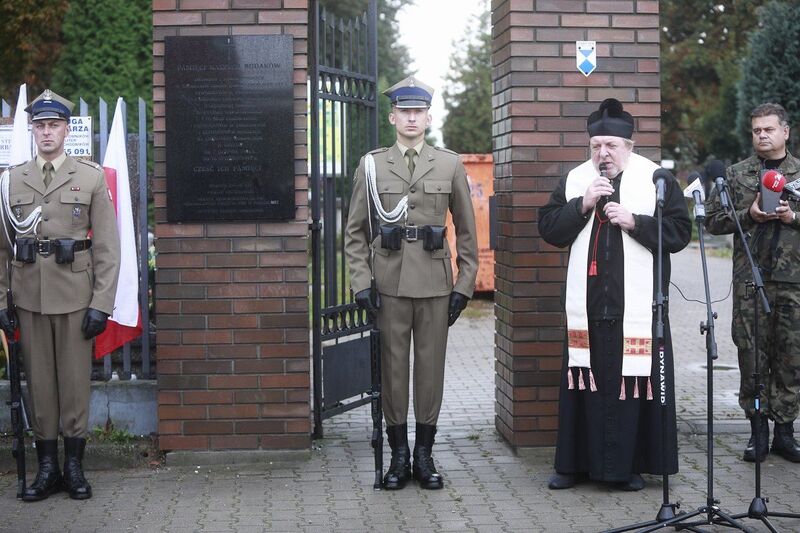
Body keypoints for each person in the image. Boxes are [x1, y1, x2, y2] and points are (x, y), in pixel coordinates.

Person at [538, 98, 691, 491]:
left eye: (611, 146)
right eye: (596, 146)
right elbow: (551, 229)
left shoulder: (656, 179)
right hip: (587, 305)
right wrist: (583, 204)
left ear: (630, 146)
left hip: (636, 307)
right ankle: (573, 466)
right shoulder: (576, 180)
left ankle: (628, 468)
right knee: (581, 384)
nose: (602, 154)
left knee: (632, 387)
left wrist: (636, 222)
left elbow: (679, 233)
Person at [344, 76, 478, 490]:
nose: (412, 118)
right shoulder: (371, 165)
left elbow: (469, 232)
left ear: (428, 117)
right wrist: (361, 282)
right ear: (393, 117)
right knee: (394, 370)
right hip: (390, 283)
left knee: (430, 371)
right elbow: (354, 233)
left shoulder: (449, 163)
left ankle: (425, 455)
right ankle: (398, 456)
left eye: (418, 112)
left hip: (436, 285)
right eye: (405, 112)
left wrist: (465, 285)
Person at [0, 89, 120, 501]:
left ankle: (73, 466)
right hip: (30, 295)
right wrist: (2, 302)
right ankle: (47, 467)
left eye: (54, 125)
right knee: (40, 383)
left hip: (75, 295)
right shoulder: (12, 179)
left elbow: (107, 246)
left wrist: (102, 304)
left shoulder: (89, 177)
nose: (46, 132)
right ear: (33, 130)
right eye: (40, 126)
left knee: (73, 383)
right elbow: (2, 248)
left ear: (66, 130)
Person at [704, 102, 800, 463]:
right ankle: (757, 431)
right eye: (757, 130)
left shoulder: (799, 172)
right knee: (752, 357)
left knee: (791, 359)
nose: (762, 135)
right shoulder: (736, 174)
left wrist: (793, 217)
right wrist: (750, 214)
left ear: (785, 132)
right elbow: (712, 221)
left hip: (794, 284)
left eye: (769, 129)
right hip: (750, 283)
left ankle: (785, 433)